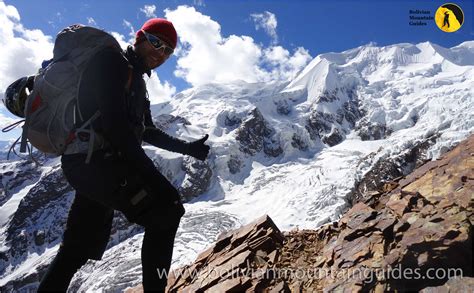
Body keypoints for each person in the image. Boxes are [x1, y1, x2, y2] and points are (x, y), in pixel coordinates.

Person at [37, 18, 210, 292]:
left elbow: (148, 131)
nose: (160, 53)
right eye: (156, 43)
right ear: (140, 37)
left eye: (168, 50)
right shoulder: (111, 63)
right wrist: (152, 177)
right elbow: (115, 127)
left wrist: (188, 148)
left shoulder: (136, 81)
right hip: (94, 163)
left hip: (94, 164)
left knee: (76, 249)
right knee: (167, 210)